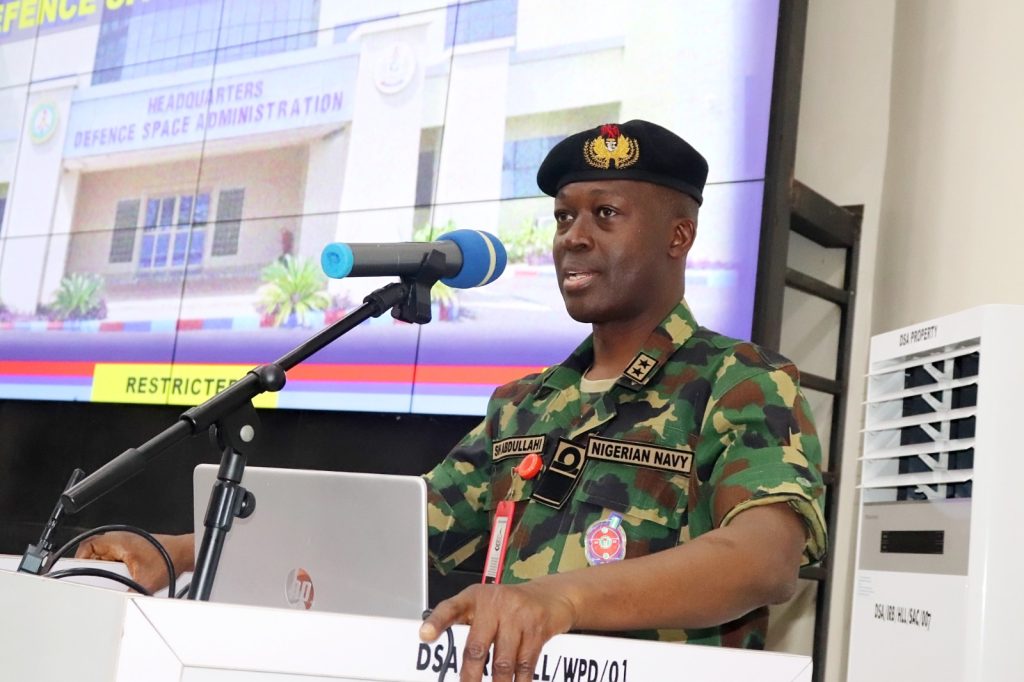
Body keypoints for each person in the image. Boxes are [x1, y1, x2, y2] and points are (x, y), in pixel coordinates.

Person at [77, 120, 826, 682]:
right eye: (564, 217)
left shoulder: (741, 382)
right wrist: (178, 551)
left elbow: (762, 560)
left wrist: (560, 599)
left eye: (606, 214)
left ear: (679, 236)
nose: (572, 237)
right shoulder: (526, 404)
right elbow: (396, 533)